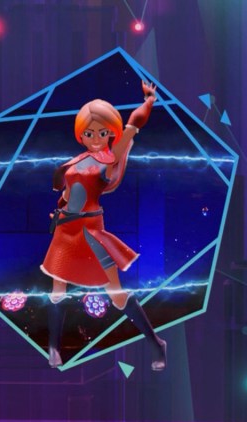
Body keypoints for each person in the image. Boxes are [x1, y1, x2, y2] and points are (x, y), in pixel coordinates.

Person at [40, 81, 166, 370]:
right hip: (65, 231)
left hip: (91, 231)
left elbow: (133, 124)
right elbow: (69, 193)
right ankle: (54, 347)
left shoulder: (109, 159)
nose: (95, 138)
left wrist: (148, 101)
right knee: (58, 291)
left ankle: (157, 344)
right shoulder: (77, 160)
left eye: (101, 132)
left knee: (116, 294)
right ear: (81, 134)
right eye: (89, 133)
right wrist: (60, 211)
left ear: (110, 132)